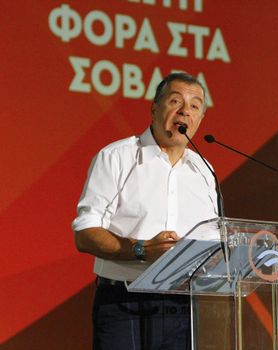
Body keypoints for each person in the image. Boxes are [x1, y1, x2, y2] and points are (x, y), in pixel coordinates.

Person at [72, 72, 218, 349]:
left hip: (181, 305)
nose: (185, 111)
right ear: (154, 109)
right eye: (175, 101)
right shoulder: (117, 157)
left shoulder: (204, 171)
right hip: (123, 302)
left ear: (200, 120)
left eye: (195, 106)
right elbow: (85, 233)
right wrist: (140, 250)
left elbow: (211, 240)